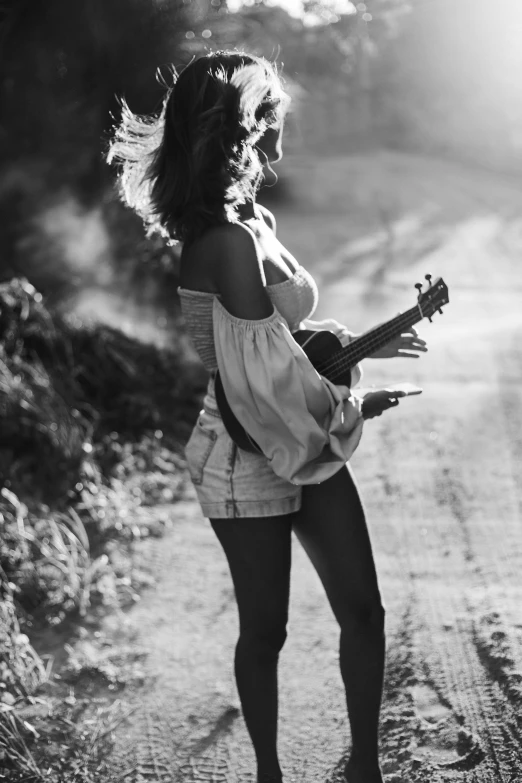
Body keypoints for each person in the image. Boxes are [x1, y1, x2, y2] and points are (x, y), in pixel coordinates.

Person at [107, 50, 427, 783]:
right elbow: (266, 387)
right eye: (272, 112)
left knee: (365, 612)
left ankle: (365, 771)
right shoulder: (221, 242)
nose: (284, 122)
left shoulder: (254, 218)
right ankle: (270, 775)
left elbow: (287, 351)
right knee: (267, 629)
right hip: (244, 446)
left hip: (296, 430)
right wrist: (354, 401)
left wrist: (350, 349)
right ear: (242, 127)